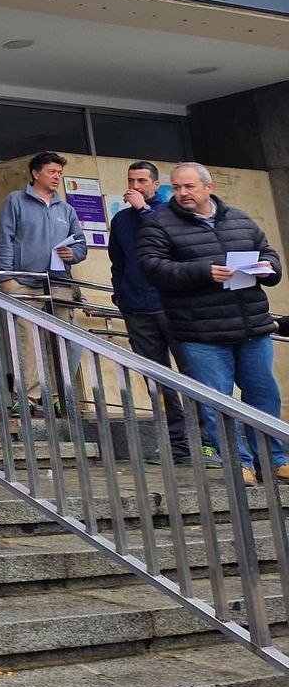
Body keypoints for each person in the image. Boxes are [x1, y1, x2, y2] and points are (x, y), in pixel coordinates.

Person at [139, 162, 286, 485]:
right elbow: (153, 269)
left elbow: (270, 254)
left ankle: (274, 460)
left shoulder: (240, 219)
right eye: (176, 187)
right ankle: (239, 464)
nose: (182, 193)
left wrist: (268, 268)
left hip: (251, 327)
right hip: (200, 332)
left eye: (189, 187)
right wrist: (203, 271)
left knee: (264, 396)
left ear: (209, 187)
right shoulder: (158, 224)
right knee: (217, 401)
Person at [108, 161, 194, 464]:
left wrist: (144, 209)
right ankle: (176, 443)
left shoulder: (170, 213)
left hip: (173, 305)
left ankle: (208, 442)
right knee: (156, 378)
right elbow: (118, 262)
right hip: (137, 307)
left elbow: (175, 245)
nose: (135, 185)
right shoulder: (121, 220)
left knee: (193, 373)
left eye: (142, 180)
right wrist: (120, 293)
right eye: (131, 180)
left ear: (156, 185)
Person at [0, 151, 88, 413]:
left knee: (58, 341)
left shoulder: (66, 209)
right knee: (26, 339)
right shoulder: (15, 201)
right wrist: (6, 276)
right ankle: (27, 397)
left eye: (59, 172)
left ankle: (58, 397)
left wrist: (74, 253)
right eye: (52, 172)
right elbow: (5, 240)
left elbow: (81, 244)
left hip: (58, 284)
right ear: (36, 173)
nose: (57, 176)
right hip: (25, 282)